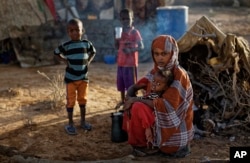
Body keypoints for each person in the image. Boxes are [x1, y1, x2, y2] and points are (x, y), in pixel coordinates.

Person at [122, 35, 194, 157]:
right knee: (134, 105)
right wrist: (129, 97)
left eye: (164, 54)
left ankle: (145, 145)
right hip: (160, 117)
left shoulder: (179, 75)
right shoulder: (158, 70)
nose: (159, 58)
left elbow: (167, 107)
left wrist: (135, 99)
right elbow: (136, 86)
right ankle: (145, 144)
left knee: (138, 106)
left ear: (172, 53)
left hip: (175, 129)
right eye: (156, 54)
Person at [54, 18, 96, 135]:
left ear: (82, 31)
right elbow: (56, 52)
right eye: (71, 31)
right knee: (70, 101)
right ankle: (70, 123)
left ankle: (83, 121)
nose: (74, 33)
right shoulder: (66, 45)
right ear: (68, 32)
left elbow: (93, 51)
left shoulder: (86, 44)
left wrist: (88, 61)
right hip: (71, 79)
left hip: (83, 78)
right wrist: (64, 60)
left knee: (83, 100)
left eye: (77, 30)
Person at [114, 8, 144, 108]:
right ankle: (123, 100)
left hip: (131, 64)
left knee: (131, 85)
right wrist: (116, 39)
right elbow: (116, 47)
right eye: (123, 19)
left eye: (128, 19)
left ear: (132, 19)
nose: (125, 21)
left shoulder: (135, 32)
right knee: (121, 83)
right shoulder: (120, 32)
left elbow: (141, 46)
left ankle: (131, 101)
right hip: (121, 63)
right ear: (120, 20)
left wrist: (130, 50)